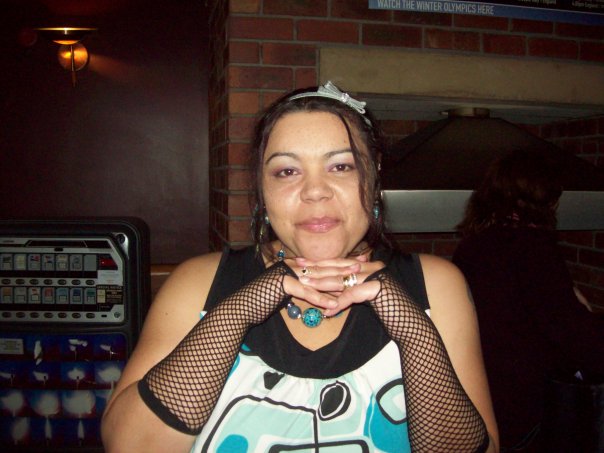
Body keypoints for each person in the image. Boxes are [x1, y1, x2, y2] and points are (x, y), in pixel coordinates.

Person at [101, 81, 499, 452]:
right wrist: (235, 313)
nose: (315, 191)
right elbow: (129, 445)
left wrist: (414, 333)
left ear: (374, 173)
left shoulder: (437, 285)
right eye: (287, 171)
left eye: (341, 166)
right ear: (263, 189)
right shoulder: (197, 282)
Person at [452, 149, 604, 452]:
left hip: (480, 392)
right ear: (542, 197)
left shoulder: (474, 244)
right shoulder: (533, 248)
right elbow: (572, 333)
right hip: (522, 403)